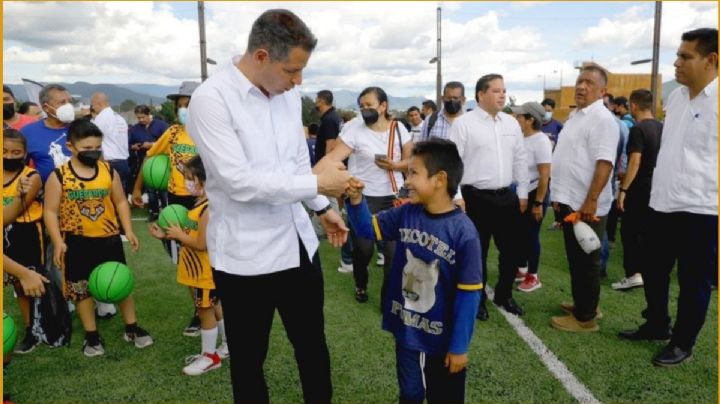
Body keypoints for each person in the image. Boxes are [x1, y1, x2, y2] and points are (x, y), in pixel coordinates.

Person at [186, 9, 351, 403]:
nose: (299, 81)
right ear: (261, 56)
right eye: (292, 70)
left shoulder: (288, 96)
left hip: (296, 244)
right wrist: (318, 182)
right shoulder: (210, 100)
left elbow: (294, 161)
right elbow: (237, 182)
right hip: (245, 257)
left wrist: (321, 205)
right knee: (248, 360)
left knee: (312, 346)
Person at [345, 139, 482, 404]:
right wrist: (356, 199)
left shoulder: (464, 233)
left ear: (439, 179)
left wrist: (459, 347)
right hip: (407, 331)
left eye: (413, 173)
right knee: (410, 394)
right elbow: (366, 229)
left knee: (446, 397)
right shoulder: (407, 213)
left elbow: (469, 295)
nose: (406, 181)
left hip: (442, 339)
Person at [619, 28, 717, 367]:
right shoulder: (675, 99)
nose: (676, 62)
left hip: (702, 209)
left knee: (694, 280)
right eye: (677, 55)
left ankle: (683, 342)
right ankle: (657, 325)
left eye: (685, 56)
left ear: (711, 60)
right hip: (662, 202)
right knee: (653, 269)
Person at [43, 119, 153, 357]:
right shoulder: (59, 176)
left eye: (97, 148)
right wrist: (59, 241)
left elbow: (121, 201)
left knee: (120, 283)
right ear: (71, 147)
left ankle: (132, 328)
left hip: (109, 238)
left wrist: (129, 230)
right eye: (86, 149)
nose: (93, 152)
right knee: (81, 290)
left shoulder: (107, 170)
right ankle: (92, 336)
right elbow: (50, 212)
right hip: (77, 241)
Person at [314, 86, 412, 304]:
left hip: (392, 197)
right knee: (363, 250)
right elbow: (332, 158)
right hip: (362, 198)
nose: (365, 110)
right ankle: (361, 285)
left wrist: (394, 165)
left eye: (369, 105)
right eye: (361, 106)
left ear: (383, 106)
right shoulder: (354, 128)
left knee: (393, 254)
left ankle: (389, 299)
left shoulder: (398, 129)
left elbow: (410, 161)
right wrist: (311, 179)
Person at [449, 74, 528, 321]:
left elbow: (520, 159)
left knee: (511, 251)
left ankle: (504, 295)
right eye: (496, 91)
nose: (502, 95)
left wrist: (523, 192)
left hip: (507, 197)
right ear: (480, 95)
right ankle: (478, 299)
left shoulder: (511, 123)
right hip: (475, 199)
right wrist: (457, 195)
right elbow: (453, 162)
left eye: (504, 90)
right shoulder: (463, 124)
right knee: (477, 253)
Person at [549, 64, 619, 332]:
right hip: (570, 199)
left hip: (586, 203)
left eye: (589, 82)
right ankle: (585, 303)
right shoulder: (577, 116)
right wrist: (559, 195)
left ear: (602, 91)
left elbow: (605, 162)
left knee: (586, 260)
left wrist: (591, 200)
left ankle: (586, 318)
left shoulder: (602, 119)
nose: (581, 86)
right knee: (577, 258)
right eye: (579, 81)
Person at [132, 81, 202, 336]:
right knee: (186, 257)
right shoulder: (172, 133)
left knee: (207, 253)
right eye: (180, 106)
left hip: (203, 201)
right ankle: (199, 309)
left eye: (189, 105)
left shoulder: (211, 131)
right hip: (176, 201)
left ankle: (217, 305)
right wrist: (137, 188)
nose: (183, 110)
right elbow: (151, 158)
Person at [149, 156, 228, 375]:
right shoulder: (201, 204)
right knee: (215, 306)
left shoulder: (207, 210)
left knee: (204, 311)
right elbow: (193, 237)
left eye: (190, 178)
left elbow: (201, 244)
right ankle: (227, 346)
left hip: (203, 271)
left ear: (205, 179)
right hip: (200, 270)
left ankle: (210, 357)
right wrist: (166, 236)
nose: (187, 183)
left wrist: (177, 235)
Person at [612, 89, 662, 291]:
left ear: (633, 105)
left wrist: (624, 189)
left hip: (639, 188)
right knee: (648, 233)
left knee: (630, 231)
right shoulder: (662, 127)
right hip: (657, 187)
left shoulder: (638, 129)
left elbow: (635, 161)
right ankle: (645, 272)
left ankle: (634, 273)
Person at [3, 129, 45, 354]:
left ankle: (37, 330)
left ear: (25, 153)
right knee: (17, 287)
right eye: (4, 151)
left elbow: (14, 212)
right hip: (5, 237)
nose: (9, 156)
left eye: (15, 152)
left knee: (30, 283)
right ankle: (31, 327)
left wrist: (19, 196)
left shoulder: (31, 177)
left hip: (26, 234)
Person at [510, 102, 552, 293]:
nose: (516, 118)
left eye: (520, 116)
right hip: (521, 192)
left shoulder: (541, 141)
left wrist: (538, 203)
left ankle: (533, 276)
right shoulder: (521, 138)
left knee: (531, 235)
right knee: (518, 233)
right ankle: (521, 267)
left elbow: (545, 175)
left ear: (530, 120)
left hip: (535, 192)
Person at [22, 84, 74, 182]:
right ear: (46, 107)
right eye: (62, 102)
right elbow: (20, 167)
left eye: (69, 102)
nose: (68, 106)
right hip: (46, 194)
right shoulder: (28, 132)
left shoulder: (80, 128)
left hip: (82, 193)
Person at [129, 105, 169, 221]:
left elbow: (169, 141)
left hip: (162, 162)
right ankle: (154, 212)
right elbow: (128, 143)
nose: (141, 120)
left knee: (163, 188)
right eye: (138, 118)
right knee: (150, 189)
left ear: (148, 114)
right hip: (145, 163)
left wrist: (152, 145)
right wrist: (133, 146)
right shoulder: (135, 129)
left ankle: (166, 211)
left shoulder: (161, 125)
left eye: (142, 117)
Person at [90, 92, 130, 193]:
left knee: (109, 197)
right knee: (121, 195)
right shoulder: (119, 118)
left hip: (109, 162)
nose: (93, 108)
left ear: (99, 104)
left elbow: (93, 140)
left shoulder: (102, 118)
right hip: (123, 162)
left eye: (93, 105)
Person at [314, 89, 342, 162]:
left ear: (321, 101)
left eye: (316, 99)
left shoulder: (328, 120)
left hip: (327, 165)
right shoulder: (335, 116)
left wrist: (326, 166)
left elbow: (330, 145)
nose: (315, 102)